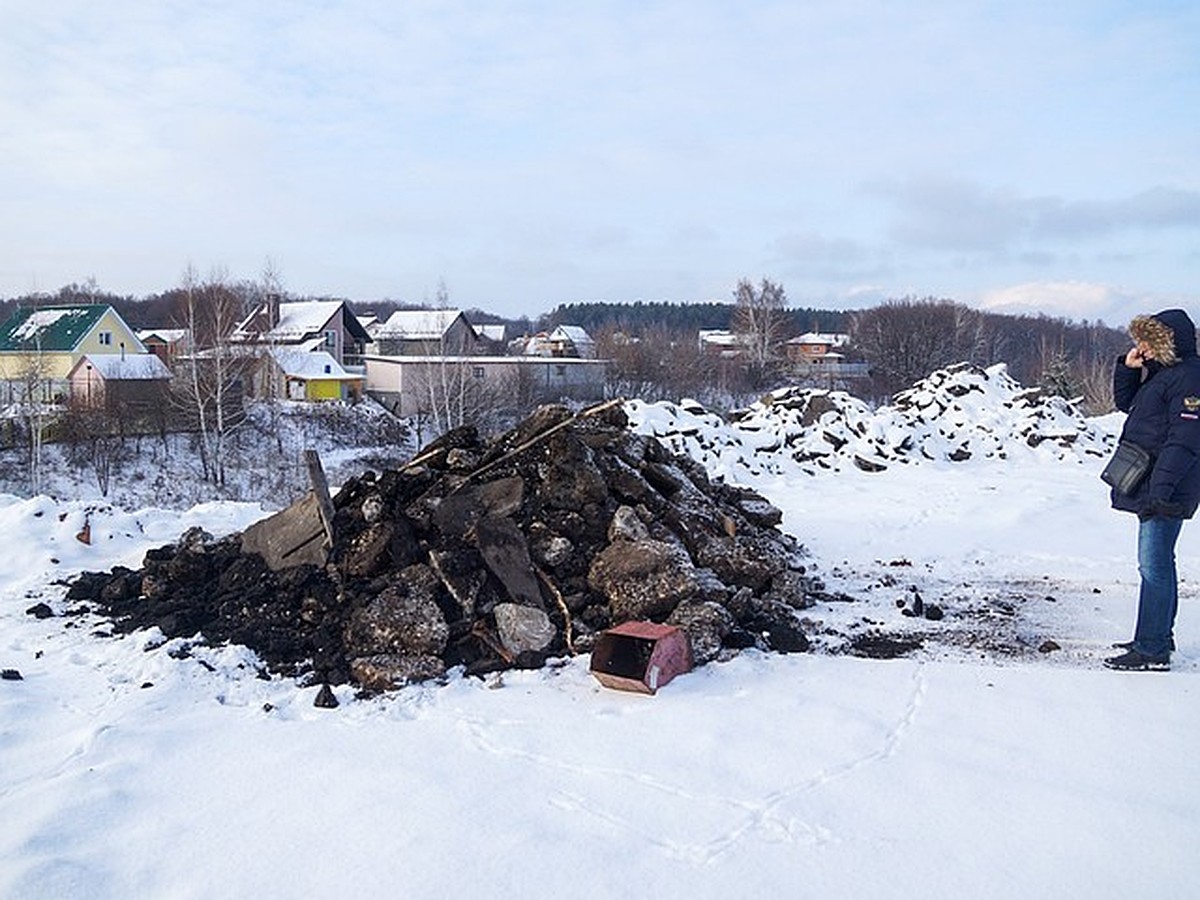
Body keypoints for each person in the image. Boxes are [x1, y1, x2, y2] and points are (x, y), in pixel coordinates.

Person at [1105, 308, 1200, 671]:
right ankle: (1158, 635)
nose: (1141, 345)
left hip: (1168, 486)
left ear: (1167, 341)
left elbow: (1186, 439)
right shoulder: (1166, 375)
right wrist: (1128, 368)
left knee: (1154, 567)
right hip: (1157, 482)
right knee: (1160, 564)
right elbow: (1126, 405)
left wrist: (1161, 491)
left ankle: (1151, 649)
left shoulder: (1189, 378)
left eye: (1148, 340)